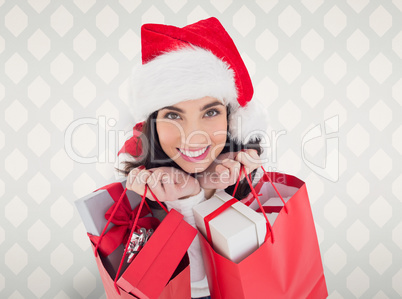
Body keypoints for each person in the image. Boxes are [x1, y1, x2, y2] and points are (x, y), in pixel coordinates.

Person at [115, 17, 269, 299]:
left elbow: (248, 273)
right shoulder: (135, 180)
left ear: (230, 119)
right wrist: (186, 200)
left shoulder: (245, 168)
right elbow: (184, 285)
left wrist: (212, 191)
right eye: (173, 115)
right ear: (153, 123)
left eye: (210, 112)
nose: (193, 136)